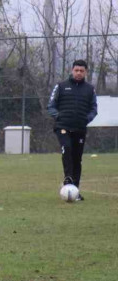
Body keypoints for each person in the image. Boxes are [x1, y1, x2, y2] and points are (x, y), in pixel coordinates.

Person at [47, 59, 98, 200]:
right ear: (72, 70)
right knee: (67, 148)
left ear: (86, 72)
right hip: (63, 126)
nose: (79, 73)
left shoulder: (90, 89)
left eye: (82, 71)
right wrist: (58, 116)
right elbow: (51, 106)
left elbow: (94, 109)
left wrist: (86, 119)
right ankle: (68, 179)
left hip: (80, 128)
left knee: (77, 158)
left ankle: (74, 190)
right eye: (76, 70)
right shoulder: (61, 86)